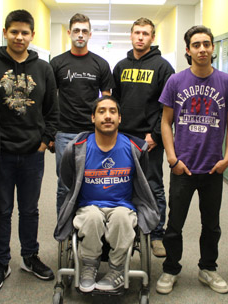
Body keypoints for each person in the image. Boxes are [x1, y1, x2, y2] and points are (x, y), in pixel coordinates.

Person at [157, 25, 228, 295]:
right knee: (174, 224)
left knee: (211, 224)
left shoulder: (227, 82)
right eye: (196, 44)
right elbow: (165, 122)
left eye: (207, 44)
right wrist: (172, 158)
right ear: (188, 50)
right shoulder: (176, 81)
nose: (202, 49)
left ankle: (208, 268)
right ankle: (171, 269)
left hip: (213, 168)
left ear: (213, 48)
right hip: (183, 168)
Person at [0, 9, 58, 291]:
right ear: (5, 32)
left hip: (32, 153)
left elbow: (52, 109)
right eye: (14, 32)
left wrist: (45, 140)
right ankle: (1, 261)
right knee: (1, 210)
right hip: (0, 153)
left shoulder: (43, 68)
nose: (19, 37)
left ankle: (29, 256)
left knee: (30, 210)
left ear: (32, 35)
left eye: (25, 33)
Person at [54, 96, 159, 293]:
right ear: (93, 118)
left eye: (112, 112)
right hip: (88, 206)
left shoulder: (135, 148)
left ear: (120, 118)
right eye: (102, 112)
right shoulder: (77, 148)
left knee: (121, 217)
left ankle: (116, 269)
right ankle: (89, 267)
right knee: (92, 217)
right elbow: (68, 177)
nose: (107, 116)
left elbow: (141, 178)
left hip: (122, 206)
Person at [112, 17, 174, 257]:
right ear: (131, 35)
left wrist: (156, 135)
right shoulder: (120, 66)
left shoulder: (162, 67)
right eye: (137, 33)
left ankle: (157, 234)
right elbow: (114, 102)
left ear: (152, 37)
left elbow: (168, 106)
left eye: (145, 33)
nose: (140, 37)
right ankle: (126, 227)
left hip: (150, 139)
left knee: (153, 185)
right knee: (123, 182)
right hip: (123, 138)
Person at [50, 13, 114, 214]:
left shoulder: (100, 64)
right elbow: (49, 101)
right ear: (69, 33)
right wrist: (50, 132)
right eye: (76, 30)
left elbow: (106, 102)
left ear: (90, 34)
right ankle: (64, 227)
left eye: (84, 31)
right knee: (65, 183)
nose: (80, 35)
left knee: (92, 179)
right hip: (64, 132)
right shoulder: (57, 63)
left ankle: (88, 221)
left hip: (91, 133)